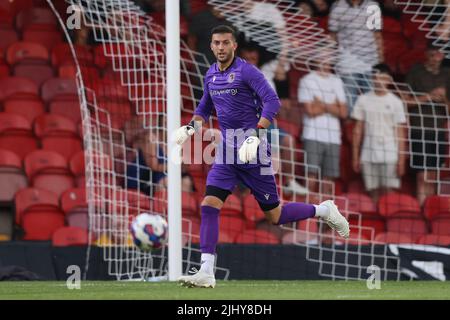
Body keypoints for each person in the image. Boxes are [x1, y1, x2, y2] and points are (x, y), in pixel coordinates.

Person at [174, 25, 349, 288]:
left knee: (274, 215)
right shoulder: (211, 74)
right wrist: (189, 129)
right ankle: (206, 271)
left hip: (254, 151)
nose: (220, 47)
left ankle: (323, 210)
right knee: (209, 205)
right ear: (211, 46)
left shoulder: (246, 71)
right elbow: (204, 108)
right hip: (227, 152)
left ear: (234, 45)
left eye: (225, 43)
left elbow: (272, 101)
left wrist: (257, 134)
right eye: (216, 43)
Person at [239, 45, 309, 195]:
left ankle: (289, 182)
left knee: (288, 141)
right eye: (248, 59)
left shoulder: (264, 76)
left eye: (254, 59)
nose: (252, 62)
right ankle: (245, 191)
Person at [351, 64, 407, 203]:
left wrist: (401, 159)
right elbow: (357, 130)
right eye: (375, 78)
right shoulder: (363, 99)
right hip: (368, 153)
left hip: (390, 153)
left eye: (382, 78)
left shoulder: (396, 102)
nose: (378, 81)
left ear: (388, 80)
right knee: (373, 191)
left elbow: (400, 133)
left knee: (389, 191)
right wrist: (355, 156)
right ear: (372, 79)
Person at [404, 42, 450, 205]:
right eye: (432, 54)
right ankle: (421, 208)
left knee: (434, 175)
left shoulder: (447, 74)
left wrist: (443, 98)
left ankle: (430, 208)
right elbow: (405, 101)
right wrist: (429, 96)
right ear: (426, 54)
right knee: (422, 175)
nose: (435, 58)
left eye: (438, 54)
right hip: (420, 129)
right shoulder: (416, 72)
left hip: (438, 130)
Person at [298, 52, 348, 195]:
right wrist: (333, 106)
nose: (326, 61)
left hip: (333, 136)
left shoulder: (337, 81)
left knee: (329, 177)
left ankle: (327, 210)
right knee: (311, 173)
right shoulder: (307, 80)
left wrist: (321, 104)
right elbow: (311, 111)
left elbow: (344, 112)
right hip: (312, 134)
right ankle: (308, 207)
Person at [328, 0, 384, 116]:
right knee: (349, 105)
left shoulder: (372, 6)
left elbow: (377, 35)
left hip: (370, 61)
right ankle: (351, 132)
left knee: (373, 103)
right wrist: (330, 60)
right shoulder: (338, 6)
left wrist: (380, 62)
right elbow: (333, 36)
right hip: (347, 62)